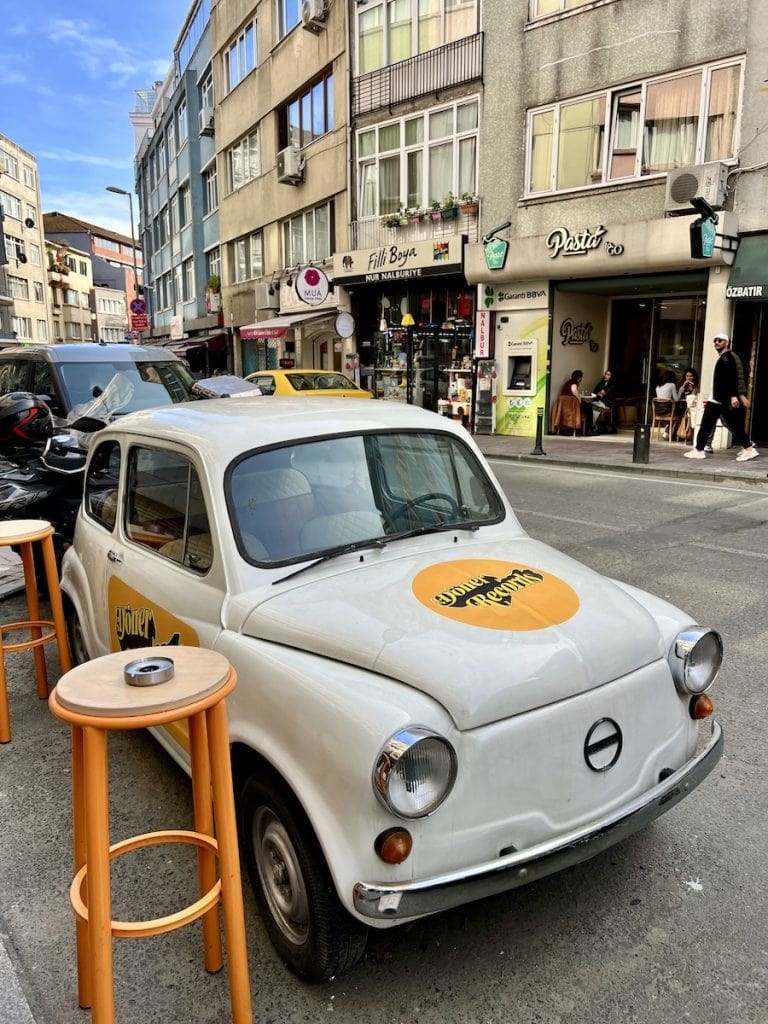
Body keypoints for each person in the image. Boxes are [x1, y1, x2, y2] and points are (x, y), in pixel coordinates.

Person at [684, 332, 758, 461]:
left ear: (727, 343)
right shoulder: (724, 358)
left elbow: (732, 378)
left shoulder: (727, 358)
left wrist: (734, 396)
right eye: (715, 341)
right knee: (710, 424)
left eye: (720, 340)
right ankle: (699, 450)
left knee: (728, 424)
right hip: (717, 398)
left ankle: (748, 449)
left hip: (721, 399)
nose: (717, 342)